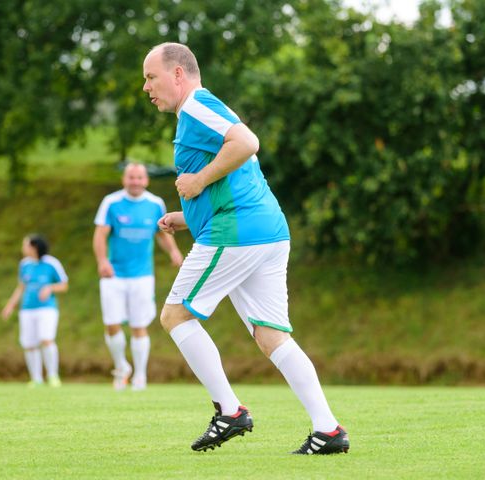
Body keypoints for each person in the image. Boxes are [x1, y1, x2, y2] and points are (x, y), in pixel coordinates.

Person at [142, 42, 349, 454]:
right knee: (272, 335)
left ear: (178, 74)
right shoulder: (202, 110)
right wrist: (188, 215)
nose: (147, 87)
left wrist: (197, 182)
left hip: (238, 232)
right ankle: (328, 430)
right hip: (266, 230)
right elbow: (235, 172)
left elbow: (247, 143)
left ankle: (229, 411)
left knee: (174, 315)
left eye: (151, 77)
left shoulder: (197, 106)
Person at [93, 163, 183, 391]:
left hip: (142, 276)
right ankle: (122, 367)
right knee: (111, 324)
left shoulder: (155, 204)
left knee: (138, 324)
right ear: (124, 179)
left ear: (146, 180)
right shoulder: (111, 203)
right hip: (113, 274)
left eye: (139, 178)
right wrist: (102, 261)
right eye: (131, 177)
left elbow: (161, 234)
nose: (135, 181)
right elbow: (100, 235)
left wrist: (173, 251)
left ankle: (140, 377)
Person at [2, 235, 68, 388]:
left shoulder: (52, 263)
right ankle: (36, 378)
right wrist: (10, 305)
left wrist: (50, 287)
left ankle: (53, 376)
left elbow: (64, 285)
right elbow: (21, 287)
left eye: (25, 245)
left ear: (34, 247)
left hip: (47, 309)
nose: (23, 248)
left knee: (46, 339)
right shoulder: (24, 264)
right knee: (29, 343)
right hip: (27, 309)